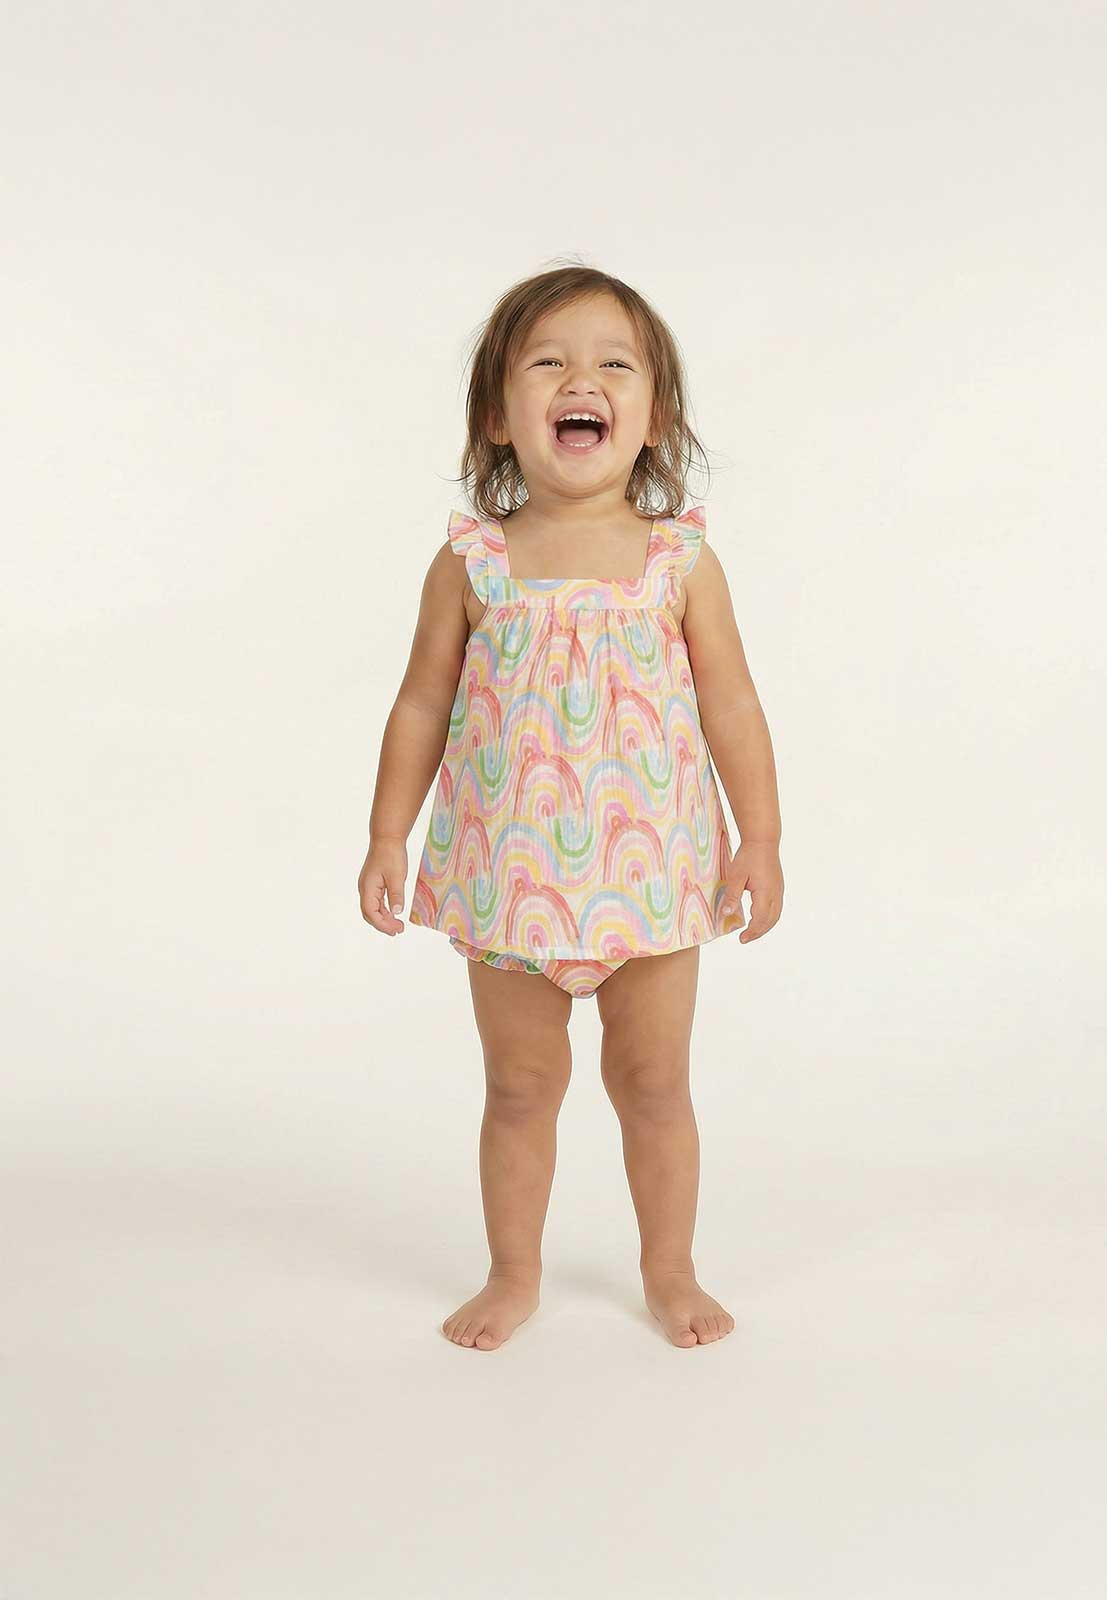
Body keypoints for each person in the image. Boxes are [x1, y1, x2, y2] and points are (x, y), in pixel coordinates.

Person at [359, 264, 784, 1349]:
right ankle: (513, 1272)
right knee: (519, 1087)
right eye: (546, 361)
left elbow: (732, 702)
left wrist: (763, 837)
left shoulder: (679, 562)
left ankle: (670, 1268)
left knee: (654, 1084)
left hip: (653, 877)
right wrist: (386, 834)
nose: (579, 379)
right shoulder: (472, 564)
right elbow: (420, 704)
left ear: (655, 418)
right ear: (498, 417)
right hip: (509, 879)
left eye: (613, 364)